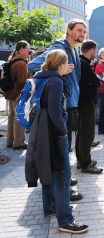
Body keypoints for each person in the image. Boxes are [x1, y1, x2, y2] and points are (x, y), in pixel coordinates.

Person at [25, 49, 89, 234]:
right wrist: (63, 132)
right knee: (62, 175)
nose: (69, 65)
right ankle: (66, 220)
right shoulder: (55, 81)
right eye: (67, 62)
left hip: (42, 129)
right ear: (60, 64)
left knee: (50, 168)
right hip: (54, 132)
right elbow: (55, 111)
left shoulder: (41, 76)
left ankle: (51, 208)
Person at [28, 19, 85, 201]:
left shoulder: (74, 49)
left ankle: (64, 180)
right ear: (68, 31)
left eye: (84, 31)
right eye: (79, 30)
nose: (82, 34)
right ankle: (62, 190)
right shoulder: (59, 47)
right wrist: (59, 70)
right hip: (61, 106)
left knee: (65, 147)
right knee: (61, 149)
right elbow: (34, 65)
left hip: (71, 103)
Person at [76, 40, 103, 174]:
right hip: (86, 101)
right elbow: (97, 82)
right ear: (91, 50)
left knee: (81, 132)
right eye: (96, 50)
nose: (96, 53)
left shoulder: (80, 62)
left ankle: (81, 160)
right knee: (87, 133)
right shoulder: (84, 64)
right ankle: (86, 163)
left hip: (82, 101)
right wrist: (96, 80)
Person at [5, 40, 30, 150]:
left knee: (11, 117)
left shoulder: (12, 59)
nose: (29, 50)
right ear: (21, 49)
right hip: (17, 93)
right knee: (19, 117)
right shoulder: (21, 63)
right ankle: (19, 142)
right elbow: (22, 82)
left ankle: (10, 141)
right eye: (27, 48)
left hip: (10, 93)